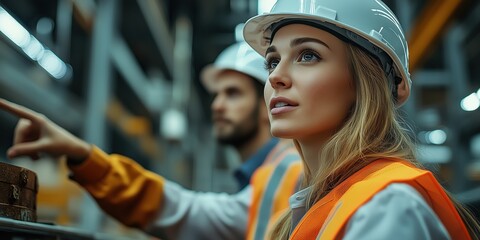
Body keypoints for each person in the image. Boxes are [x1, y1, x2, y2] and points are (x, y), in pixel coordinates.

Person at [0, 41, 302, 240]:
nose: (217, 105)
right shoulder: (269, 176)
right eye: (216, 95)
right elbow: (189, 212)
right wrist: (82, 155)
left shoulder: (288, 173)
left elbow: (186, 213)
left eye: (233, 93)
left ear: (268, 101)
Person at [242, 0, 480, 239]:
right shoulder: (312, 209)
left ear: (365, 83)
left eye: (308, 56)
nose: (276, 77)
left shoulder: (388, 205)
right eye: (272, 63)